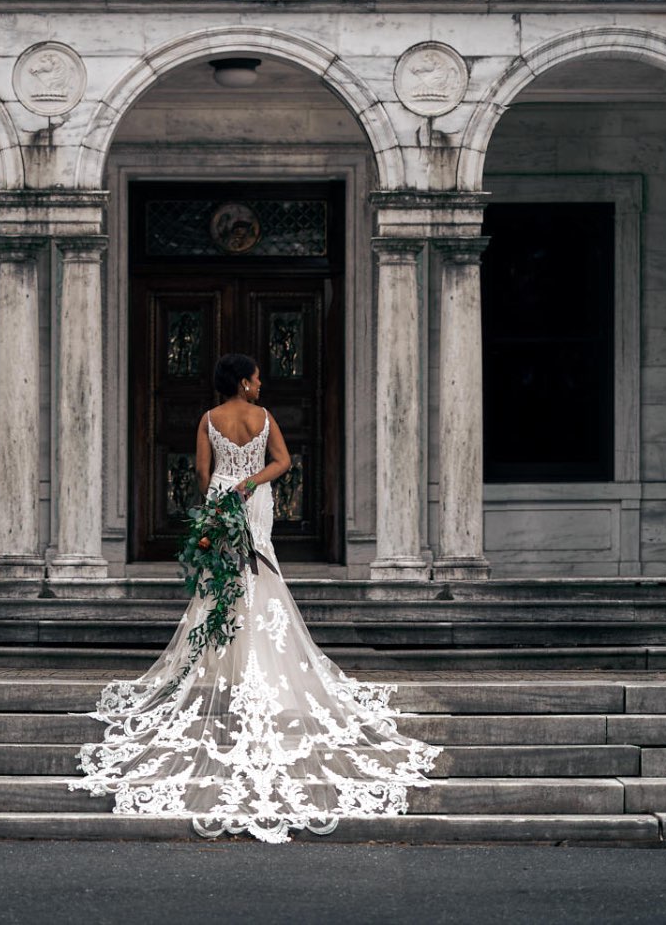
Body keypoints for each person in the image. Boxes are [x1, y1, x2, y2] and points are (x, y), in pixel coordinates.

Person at [70, 352, 440, 843]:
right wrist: (252, 482)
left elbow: (202, 477)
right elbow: (282, 462)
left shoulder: (208, 419)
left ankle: (227, 664)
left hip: (224, 499)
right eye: (257, 378)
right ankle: (257, 665)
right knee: (258, 575)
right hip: (253, 500)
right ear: (243, 383)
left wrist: (221, 499)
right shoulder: (264, 419)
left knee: (222, 581)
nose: (262, 384)